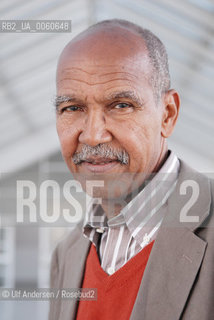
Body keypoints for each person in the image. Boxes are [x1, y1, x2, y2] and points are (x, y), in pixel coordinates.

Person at [49, 19, 214, 320]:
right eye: (72, 108)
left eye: (120, 105)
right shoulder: (68, 254)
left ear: (168, 114)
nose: (93, 136)